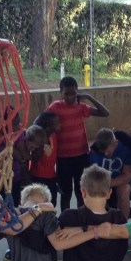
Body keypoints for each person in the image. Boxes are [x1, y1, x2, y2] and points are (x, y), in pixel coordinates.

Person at [47, 76, 110, 210]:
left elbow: (105, 113)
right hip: (63, 158)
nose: (70, 97)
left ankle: (81, 218)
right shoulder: (55, 107)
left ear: (78, 92)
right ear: (60, 92)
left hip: (81, 156)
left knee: (81, 191)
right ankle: (65, 219)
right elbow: (41, 121)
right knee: (66, 192)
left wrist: (88, 97)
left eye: (73, 93)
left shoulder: (81, 107)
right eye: (66, 94)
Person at [87, 127, 131, 220]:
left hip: (126, 179)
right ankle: (105, 219)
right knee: (95, 191)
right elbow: (93, 175)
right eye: (103, 152)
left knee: (122, 190)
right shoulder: (94, 152)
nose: (106, 154)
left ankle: (123, 224)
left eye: (108, 150)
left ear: (115, 143)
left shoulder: (128, 148)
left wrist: (106, 184)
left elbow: (127, 176)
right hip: (104, 181)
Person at [29, 111, 60, 204]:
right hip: (39, 178)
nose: (60, 124)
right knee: (40, 205)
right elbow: (34, 159)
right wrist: (41, 146)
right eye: (57, 123)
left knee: (52, 203)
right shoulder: (40, 141)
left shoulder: (54, 137)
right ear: (48, 127)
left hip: (51, 177)